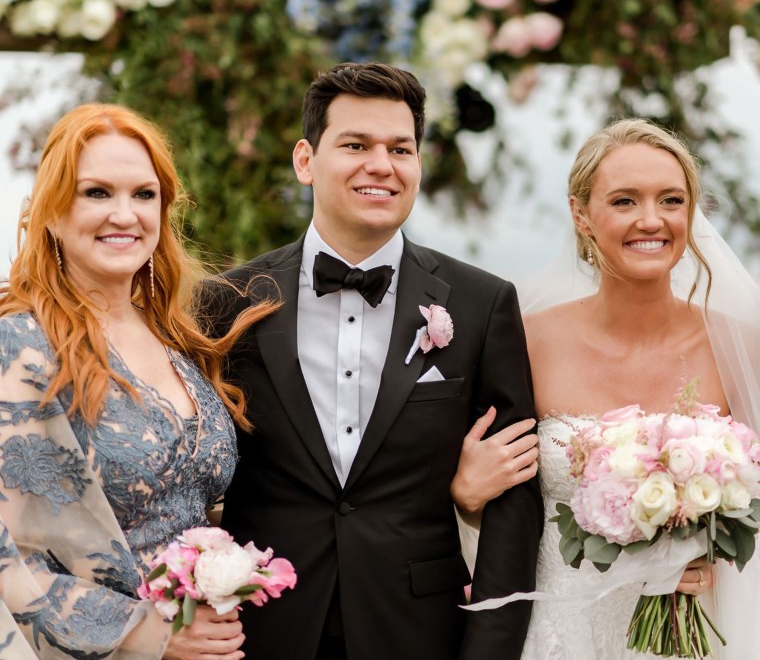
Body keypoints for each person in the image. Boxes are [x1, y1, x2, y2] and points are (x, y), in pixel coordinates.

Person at [198, 62, 543, 660]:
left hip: (419, 631)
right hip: (258, 631)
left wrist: (490, 648)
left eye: (400, 149)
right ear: (305, 160)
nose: (380, 165)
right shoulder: (225, 304)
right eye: (355, 144)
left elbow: (516, 500)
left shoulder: (483, 304)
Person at [451, 118, 760, 659]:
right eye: (623, 201)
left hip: (696, 636)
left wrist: (715, 550)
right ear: (580, 214)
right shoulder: (526, 340)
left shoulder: (741, 345)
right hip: (560, 633)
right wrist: (466, 497)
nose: (651, 220)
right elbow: (503, 510)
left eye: (671, 200)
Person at [0, 104, 277, 658]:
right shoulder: (21, 346)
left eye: (143, 194)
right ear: (52, 211)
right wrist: (148, 634)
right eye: (96, 193)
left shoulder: (179, 336)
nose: (124, 214)